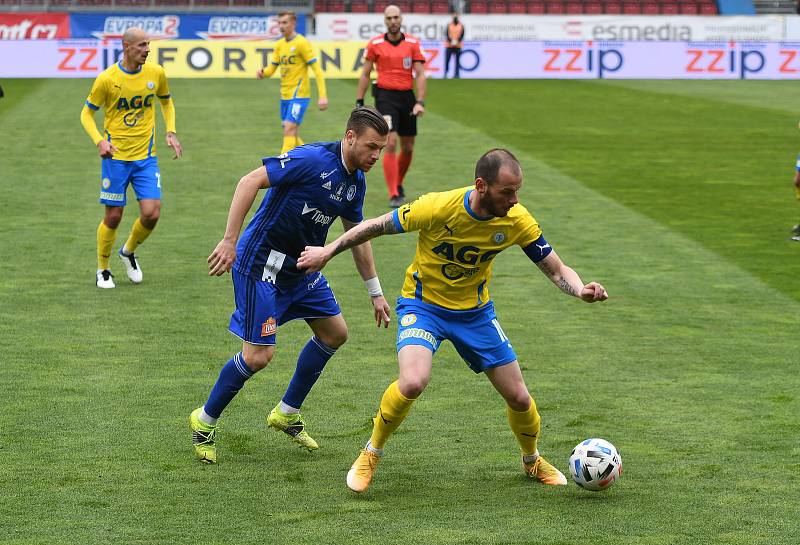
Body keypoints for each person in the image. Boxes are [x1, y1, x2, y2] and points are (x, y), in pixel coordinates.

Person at [297, 148, 609, 493]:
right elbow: (375, 226)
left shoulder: (517, 220)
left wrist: (580, 290)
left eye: (518, 191)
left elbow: (556, 268)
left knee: (519, 397)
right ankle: (371, 452)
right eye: (507, 191)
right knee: (413, 381)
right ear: (482, 186)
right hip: (423, 306)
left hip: (475, 315)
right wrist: (328, 251)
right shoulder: (438, 207)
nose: (515, 199)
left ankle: (532, 459)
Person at [189, 108, 392, 464]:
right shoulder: (311, 159)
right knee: (258, 357)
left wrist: (375, 291)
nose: (376, 156)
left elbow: (358, 236)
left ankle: (286, 412)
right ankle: (203, 421)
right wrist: (229, 240)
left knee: (335, 333)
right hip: (260, 265)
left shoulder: (355, 182)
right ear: (349, 138)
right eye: (372, 147)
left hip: (301, 269)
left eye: (381, 149)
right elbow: (248, 181)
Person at [80, 28, 182, 289]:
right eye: (142, 45)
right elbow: (86, 114)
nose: (147, 49)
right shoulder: (107, 79)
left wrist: (171, 131)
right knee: (113, 216)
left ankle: (127, 252)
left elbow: (166, 101)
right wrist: (99, 141)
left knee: (152, 213)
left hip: (146, 157)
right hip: (116, 158)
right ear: (126, 46)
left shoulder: (155, 73)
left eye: (148, 44)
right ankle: (103, 269)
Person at [356, 4, 426, 209]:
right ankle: (394, 193)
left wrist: (420, 101)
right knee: (391, 142)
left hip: (407, 97)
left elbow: (420, 74)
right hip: (385, 97)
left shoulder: (413, 43)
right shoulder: (375, 44)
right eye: (389, 18)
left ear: (401, 19)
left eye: (396, 17)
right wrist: (360, 100)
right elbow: (365, 73)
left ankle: (398, 183)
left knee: (408, 146)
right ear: (385, 21)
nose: (393, 21)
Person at [257, 11, 328, 155]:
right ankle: (312, 158)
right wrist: (263, 72)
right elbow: (272, 69)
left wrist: (323, 96)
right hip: (285, 95)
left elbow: (317, 70)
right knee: (291, 132)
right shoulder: (279, 45)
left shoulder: (301, 43)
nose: (281, 26)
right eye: (279, 23)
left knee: (289, 128)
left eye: (284, 23)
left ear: (293, 23)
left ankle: (282, 165)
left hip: (299, 94)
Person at [444, 13, 464, 79]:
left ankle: (457, 74)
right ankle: (446, 73)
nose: (455, 19)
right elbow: (447, 34)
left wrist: (457, 41)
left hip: (458, 46)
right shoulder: (449, 25)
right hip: (449, 46)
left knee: (457, 61)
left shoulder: (461, 26)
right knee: (447, 60)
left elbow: (462, 35)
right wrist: (451, 41)